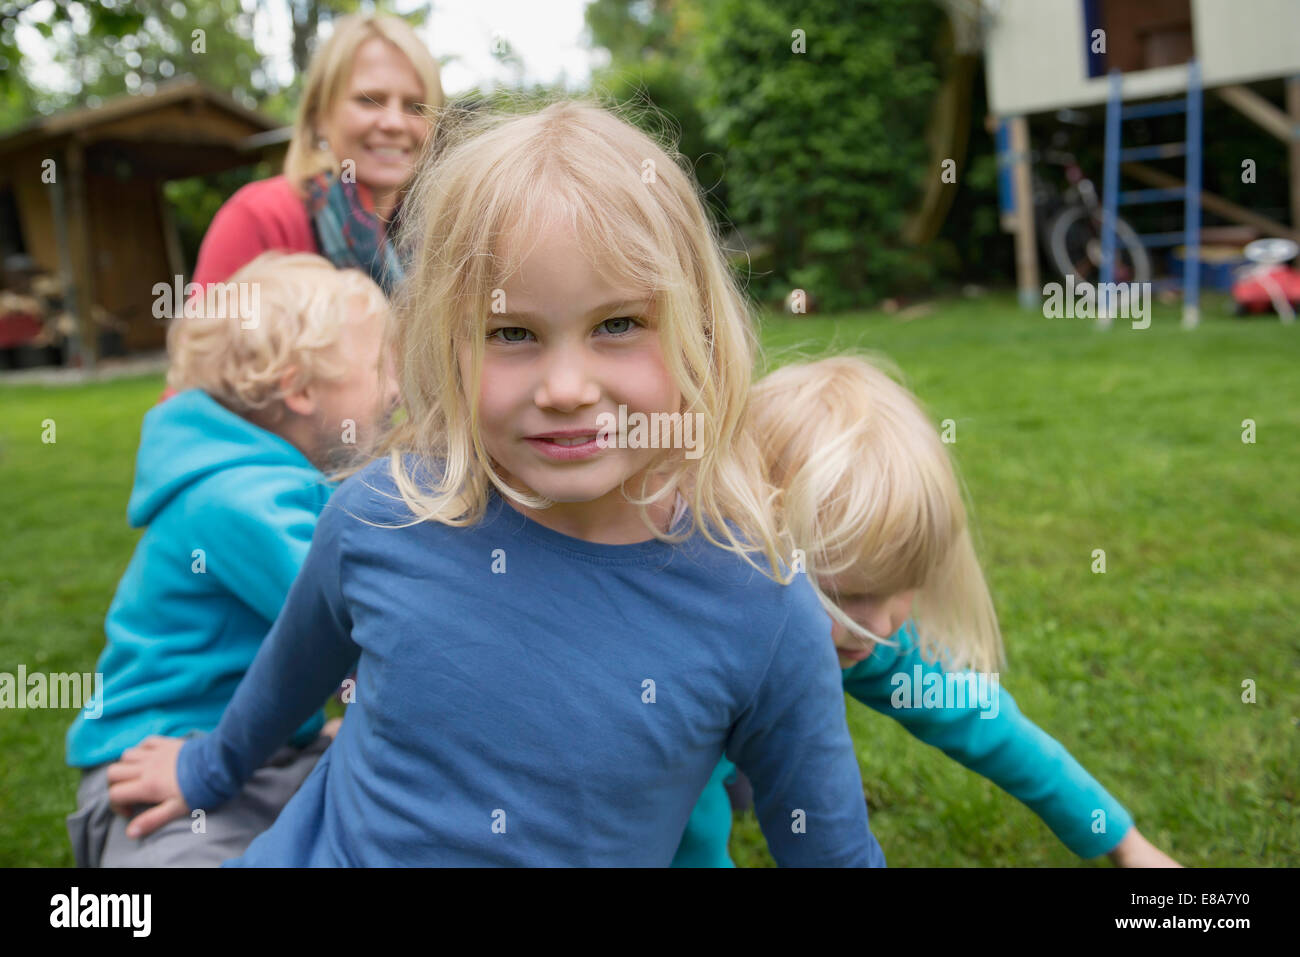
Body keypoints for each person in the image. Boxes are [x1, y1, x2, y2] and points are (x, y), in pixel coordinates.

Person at [102, 100, 885, 867]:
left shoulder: (761, 603)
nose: (568, 386)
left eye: (617, 324)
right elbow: (286, 675)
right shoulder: (381, 515)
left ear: (701, 331)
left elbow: (830, 844)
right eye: (513, 333)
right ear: (447, 347)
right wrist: (205, 769)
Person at [672, 356, 1180, 868]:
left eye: (903, 589)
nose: (882, 626)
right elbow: (680, 840)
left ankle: (744, 764)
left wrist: (1127, 845)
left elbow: (986, 725)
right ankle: (734, 764)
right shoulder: (685, 660)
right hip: (687, 752)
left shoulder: (862, 634)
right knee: (699, 780)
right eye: (846, 597)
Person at [65, 253, 396, 866]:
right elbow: (364, 621)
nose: (398, 388)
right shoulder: (237, 499)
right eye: (381, 367)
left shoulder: (272, 481)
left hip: (260, 751)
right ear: (299, 388)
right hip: (160, 766)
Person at [191, 14, 443, 293]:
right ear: (319, 116)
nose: (395, 123)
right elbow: (201, 336)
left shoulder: (442, 230)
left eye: (416, 106)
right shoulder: (260, 218)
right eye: (369, 100)